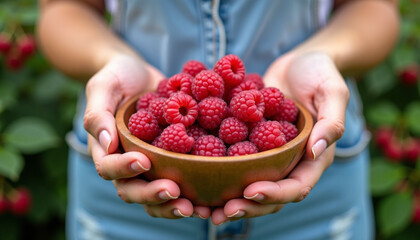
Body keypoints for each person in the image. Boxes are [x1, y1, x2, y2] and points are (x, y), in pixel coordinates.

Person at [37, 0, 399, 239]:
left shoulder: (253, 116)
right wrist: (108, 58)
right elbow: (63, 10)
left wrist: (325, 53)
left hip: (312, 181)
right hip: (130, 177)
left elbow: (374, 8)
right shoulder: (178, 113)